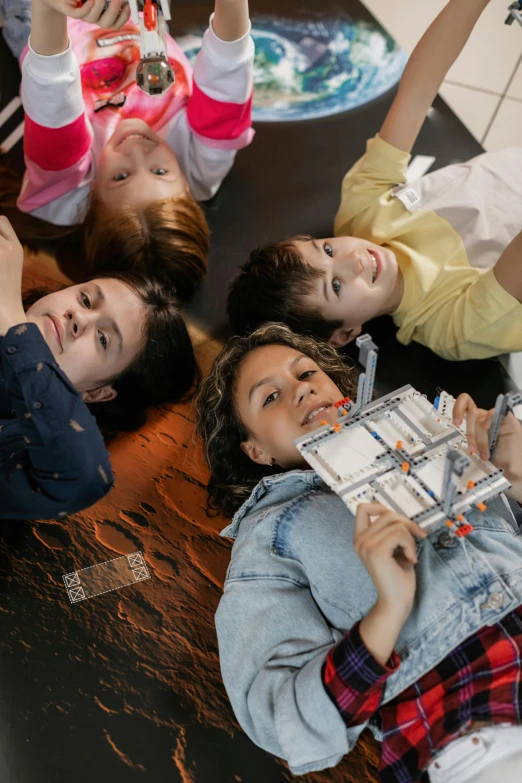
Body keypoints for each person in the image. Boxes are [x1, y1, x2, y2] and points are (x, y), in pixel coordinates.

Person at [196, 322, 522, 783]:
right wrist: (387, 612)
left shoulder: (440, 431)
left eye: (307, 374)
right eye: (270, 397)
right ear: (255, 450)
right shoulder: (269, 539)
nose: (302, 392)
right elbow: (280, 720)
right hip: (476, 729)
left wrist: (519, 474)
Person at [228, 0, 522, 362]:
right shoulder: (448, 326)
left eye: (328, 249)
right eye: (335, 286)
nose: (354, 259)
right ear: (345, 334)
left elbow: (418, 90)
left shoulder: (360, 214)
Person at [1, 0, 254, 299]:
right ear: (187, 186)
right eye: (160, 171)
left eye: (120, 176)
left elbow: (50, 89)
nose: (137, 150)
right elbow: (229, 69)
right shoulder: (201, 167)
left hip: (50, 26)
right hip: (135, 13)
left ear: (92, 198)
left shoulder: (67, 185)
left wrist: (51, 6)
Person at [0, 215, 198, 520]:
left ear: (98, 392)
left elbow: (82, 479)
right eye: (86, 299)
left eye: (103, 339)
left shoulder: (20, 440)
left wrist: (13, 323)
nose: (78, 317)